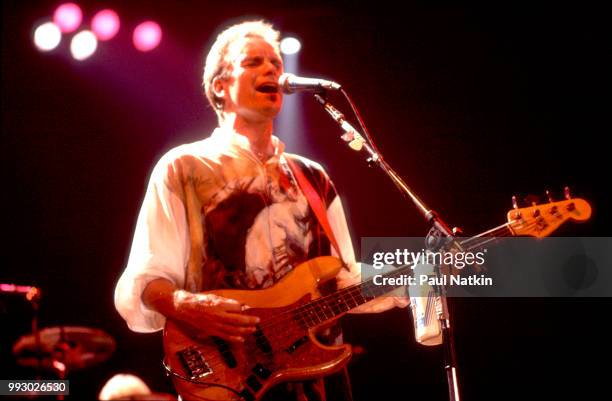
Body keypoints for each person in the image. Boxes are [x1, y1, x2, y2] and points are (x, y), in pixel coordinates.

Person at [114, 19, 407, 400]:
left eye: (276, 63)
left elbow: (344, 278)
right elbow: (148, 279)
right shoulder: (183, 167)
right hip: (229, 377)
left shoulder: (312, 177)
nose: (272, 69)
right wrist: (187, 304)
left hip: (315, 383)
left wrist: (419, 277)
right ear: (220, 85)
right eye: (254, 62)